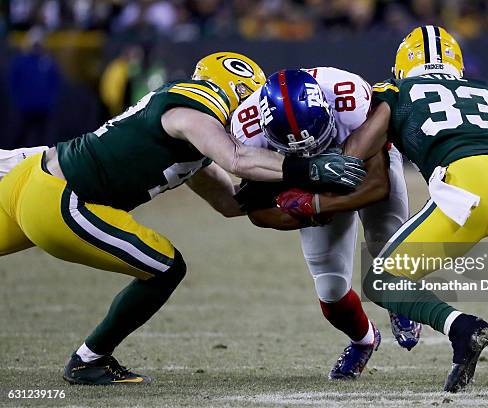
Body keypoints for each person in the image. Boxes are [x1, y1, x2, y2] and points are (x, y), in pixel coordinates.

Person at [0, 52, 365, 385]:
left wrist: (305, 206)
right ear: (240, 89)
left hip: (35, 179)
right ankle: (89, 360)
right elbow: (236, 158)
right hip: (61, 199)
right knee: (166, 268)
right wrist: (308, 169)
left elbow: (232, 203)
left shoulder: (192, 140)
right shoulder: (195, 104)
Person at [280, 25, 488, 393]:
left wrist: (305, 175)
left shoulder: (396, 90)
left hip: (467, 188)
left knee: (383, 280)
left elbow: (353, 156)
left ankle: (462, 328)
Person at [230, 68, 422, 379]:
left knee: (385, 243)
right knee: (330, 288)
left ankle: (398, 297)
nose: (311, 153)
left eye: (317, 142)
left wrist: (318, 204)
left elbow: (377, 187)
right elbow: (258, 212)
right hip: (307, 185)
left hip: (359, 164)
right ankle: (364, 340)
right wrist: (308, 214)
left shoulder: (350, 102)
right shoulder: (248, 132)